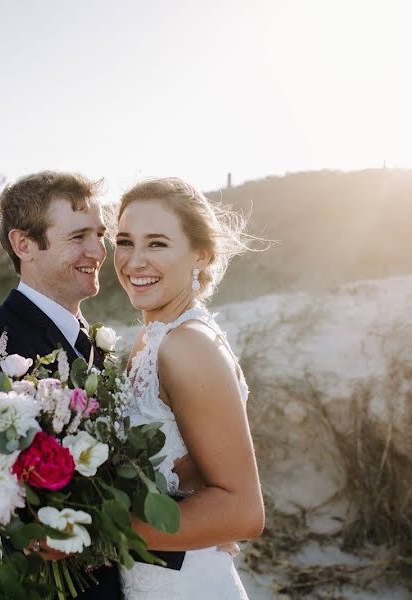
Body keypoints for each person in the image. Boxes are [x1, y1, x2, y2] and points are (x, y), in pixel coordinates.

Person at [0, 170, 131, 598]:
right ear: (24, 245)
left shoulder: (94, 339)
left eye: (100, 234)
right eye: (78, 237)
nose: (98, 250)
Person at [111, 177, 265, 599]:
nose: (134, 261)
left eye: (157, 244)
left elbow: (242, 511)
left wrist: (96, 533)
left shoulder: (188, 346)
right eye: (125, 241)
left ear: (201, 253)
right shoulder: (154, 338)